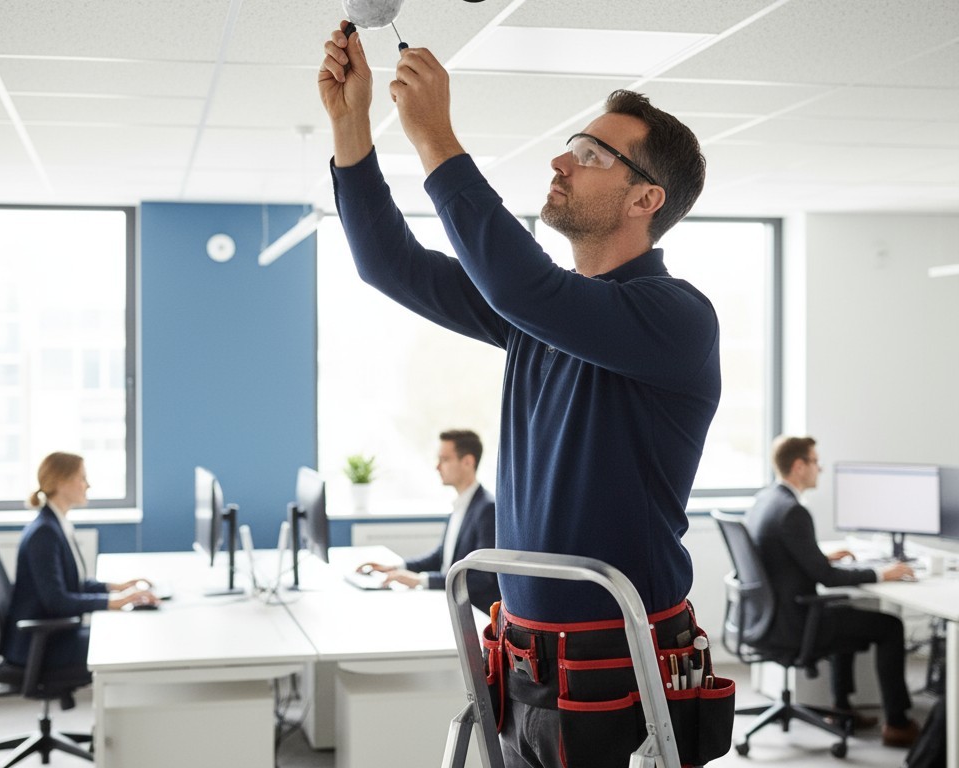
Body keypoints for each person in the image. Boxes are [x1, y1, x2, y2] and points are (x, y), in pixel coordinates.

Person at [320, 23, 723, 767]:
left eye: (593, 154)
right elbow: (389, 265)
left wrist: (437, 138)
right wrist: (352, 130)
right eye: (574, 142)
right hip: (528, 666)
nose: (562, 159)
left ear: (647, 198)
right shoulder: (536, 319)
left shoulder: (676, 318)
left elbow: (520, 284)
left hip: (622, 675)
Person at [745, 436, 920, 748]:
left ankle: (841, 708)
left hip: (769, 618)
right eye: (815, 461)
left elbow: (785, 560)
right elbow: (827, 578)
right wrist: (884, 573)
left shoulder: (766, 501)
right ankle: (897, 723)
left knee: (844, 613)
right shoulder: (793, 512)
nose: (819, 468)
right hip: (796, 623)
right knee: (891, 627)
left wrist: (821, 557)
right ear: (799, 466)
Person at [4, 452, 158, 672]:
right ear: (61, 482)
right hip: (41, 646)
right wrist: (113, 601)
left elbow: (69, 584)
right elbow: (57, 601)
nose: (88, 485)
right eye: (82, 478)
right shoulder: (44, 533)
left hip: (53, 637)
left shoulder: (54, 524)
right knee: (125, 646)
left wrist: (116, 588)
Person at [358, 429, 500, 613]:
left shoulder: (487, 509)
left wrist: (420, 580)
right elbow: (442, 557)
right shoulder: (461, 504)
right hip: (450, 602)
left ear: (468, 462)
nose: (437, 467)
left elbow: (482, 579)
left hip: (471, 614)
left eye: (445, 459)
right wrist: (397, 567)